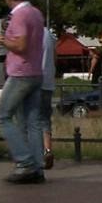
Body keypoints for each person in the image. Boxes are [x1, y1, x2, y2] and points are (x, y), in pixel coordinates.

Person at [0, 0, 47, 184]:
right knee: (33, 122)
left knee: (3, 116)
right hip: (35, 71)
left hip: (20, 72)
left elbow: (21, 45)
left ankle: (25, 162)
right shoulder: (36, 13)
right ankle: (38, 166)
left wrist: (2, 40)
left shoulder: (19, 15)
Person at [40, 25, 57, 170]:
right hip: (48, 82)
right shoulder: (49, 35)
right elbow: (54, 57)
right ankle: (48, 150)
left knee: (30, 118)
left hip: (34, 81)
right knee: (45, 118)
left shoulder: (31, 33)